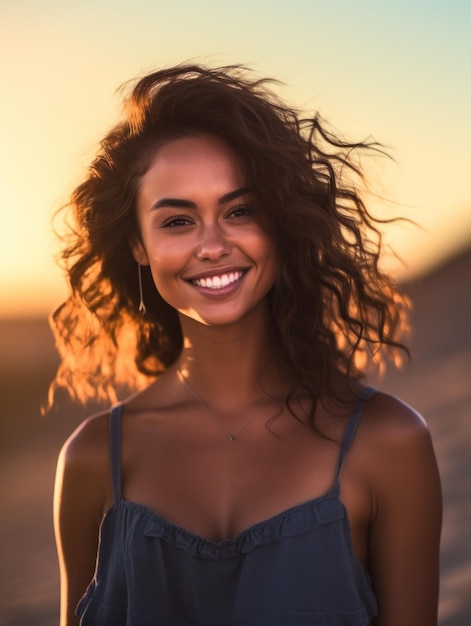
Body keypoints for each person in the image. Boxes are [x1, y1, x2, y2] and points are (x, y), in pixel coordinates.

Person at [51, 64, 442, 626]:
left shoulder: (389, 442)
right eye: (178, 221)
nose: (212, 245)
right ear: (138, 245)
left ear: (279, 221)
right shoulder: (93, 458)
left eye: (239, 211)